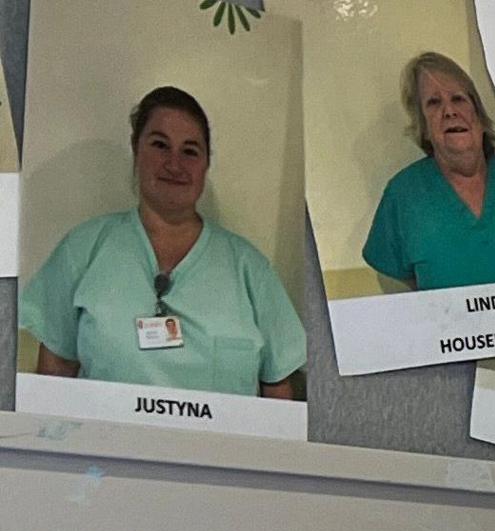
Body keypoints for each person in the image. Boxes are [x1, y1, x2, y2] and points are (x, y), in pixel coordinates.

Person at [19, 87, 307, 401]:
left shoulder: (250, 270)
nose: (174, 163)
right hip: (107, 447)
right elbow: (54, 378)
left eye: (190, 150)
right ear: (136, 148)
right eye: (160, 145)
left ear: (206, 163)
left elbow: (278, 391)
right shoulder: (84, 249)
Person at [361, 52, 495, 293]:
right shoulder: (403, 195)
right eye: (433, 102)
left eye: (458, 99)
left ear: (479, 116)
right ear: (424, 127)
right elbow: (404, 289)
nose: (449, 111)